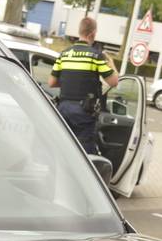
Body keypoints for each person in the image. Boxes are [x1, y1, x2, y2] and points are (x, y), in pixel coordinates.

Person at [49, 16, 119, 154]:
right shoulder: (96, 56)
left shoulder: (64, 54)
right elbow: (114, 82)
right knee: (83, 152)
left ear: (79, 31)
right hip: (83, 111)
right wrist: (112, 64)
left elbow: (52, 82)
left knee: (61, 148)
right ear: (92, 34)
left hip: (63, 108)